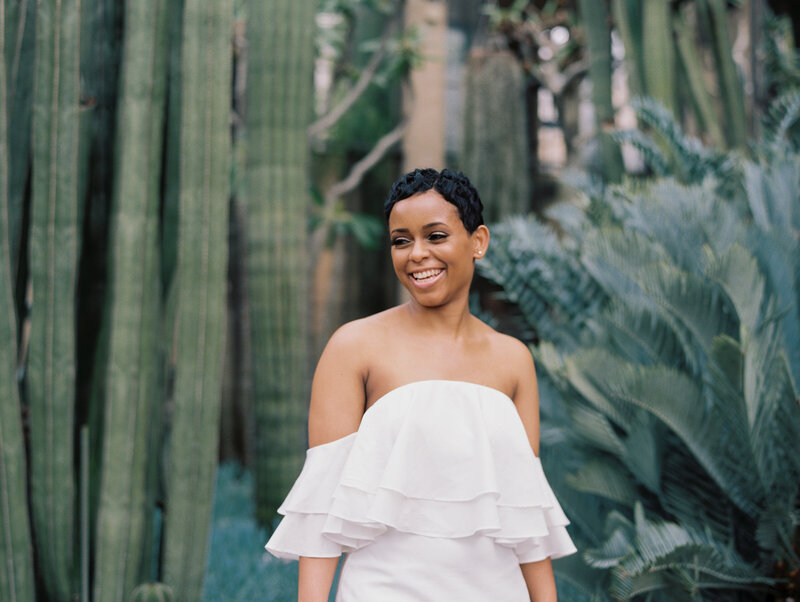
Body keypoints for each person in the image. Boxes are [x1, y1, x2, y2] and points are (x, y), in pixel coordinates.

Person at [266, 168, 576, 601]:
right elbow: (320, 510)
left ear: (478, 242)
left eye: (435, 236)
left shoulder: (514, 360)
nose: (416, 254)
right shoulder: (354, 347)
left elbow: (525, 516)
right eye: (401, 240)